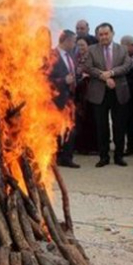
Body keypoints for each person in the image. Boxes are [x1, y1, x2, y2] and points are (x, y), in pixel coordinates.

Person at [84, 22, 133, 168]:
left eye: (106, 34)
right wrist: (103, 76)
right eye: (101, 34)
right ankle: (103, 156)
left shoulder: (122, 49)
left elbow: (127, 66)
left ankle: (119, 156)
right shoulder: (92, 49)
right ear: (97, 35)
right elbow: (88, 67)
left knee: (119, 125)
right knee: (101, 126)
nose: (104, 37)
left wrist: (111, 73)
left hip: (119, 92)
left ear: (112, 34)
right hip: (99, 93)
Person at [49, 29, 79, 168]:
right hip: (56, 100)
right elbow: (44, 78)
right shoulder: (51, 55)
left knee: (70, 128)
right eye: (73, 41)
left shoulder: (71, 55)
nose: (75, 44)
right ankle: (52, 157)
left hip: (70, 99)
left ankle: (66, 157)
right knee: (54, 129)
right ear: (66, 40)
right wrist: (62, 80)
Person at [73, 36, 98, 155]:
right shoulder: (74, 58)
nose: (80, 47)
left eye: (83, 45)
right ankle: (81, 146)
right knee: (80, 119)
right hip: (79, 93)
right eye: (78, 45)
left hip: (91, 90)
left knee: (91, 118)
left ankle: (92, 146)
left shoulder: (93, 57)